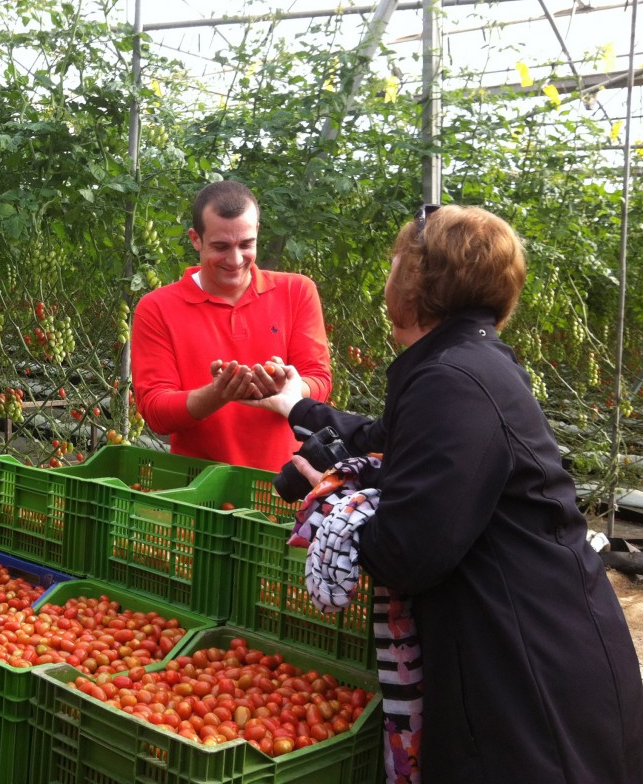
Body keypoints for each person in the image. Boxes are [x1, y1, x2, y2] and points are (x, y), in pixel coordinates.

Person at [261, 204, 643, 782]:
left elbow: (409, 552)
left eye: (394, 264)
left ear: (417, 284)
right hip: (541, 646)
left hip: (525, 676)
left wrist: (337, 497)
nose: (388, 276)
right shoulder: (464, 364)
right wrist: (297, 405)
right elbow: (386, 438)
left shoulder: (451, 381)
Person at [130, 179, 331, 471]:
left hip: (289, 484)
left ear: (257, 233)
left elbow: (320, 382)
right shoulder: (157, 308)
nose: (235, 259)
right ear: (195, 239)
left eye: (246, 244)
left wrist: (291, 387)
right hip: (197, 491)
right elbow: (156, 412)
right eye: (221, 246)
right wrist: (217, 394)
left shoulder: (297, 292)